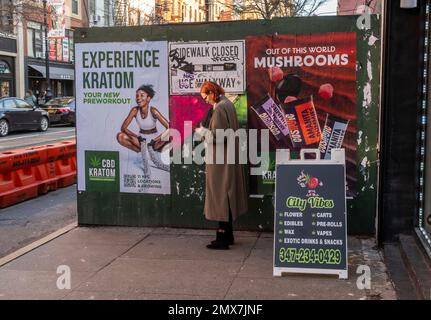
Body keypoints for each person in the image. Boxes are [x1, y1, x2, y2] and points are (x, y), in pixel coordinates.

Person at [195, 81, 248, 250]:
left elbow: (217, 136)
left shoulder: (219, 108)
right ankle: (228, 235)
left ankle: (222, 238)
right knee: (227, 196)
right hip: (229, 159)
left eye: (205, 97)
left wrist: (202, 132)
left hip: (220, 161)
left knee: (220, 198)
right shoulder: (228, 104)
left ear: (212, 93)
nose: (206, 101)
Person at [117, 84, 170, 174]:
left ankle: (153, 152)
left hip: (154, 142)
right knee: (120, 136)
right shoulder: (134, 110)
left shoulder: (153, 111)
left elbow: (169, 127)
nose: (138, 98)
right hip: (141, 141)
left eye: (142, 95)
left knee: (172, 134)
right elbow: (123, 128)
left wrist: (154, 140)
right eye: (137, 95)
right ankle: (143, 152)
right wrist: (137, 137)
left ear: (148, 98)